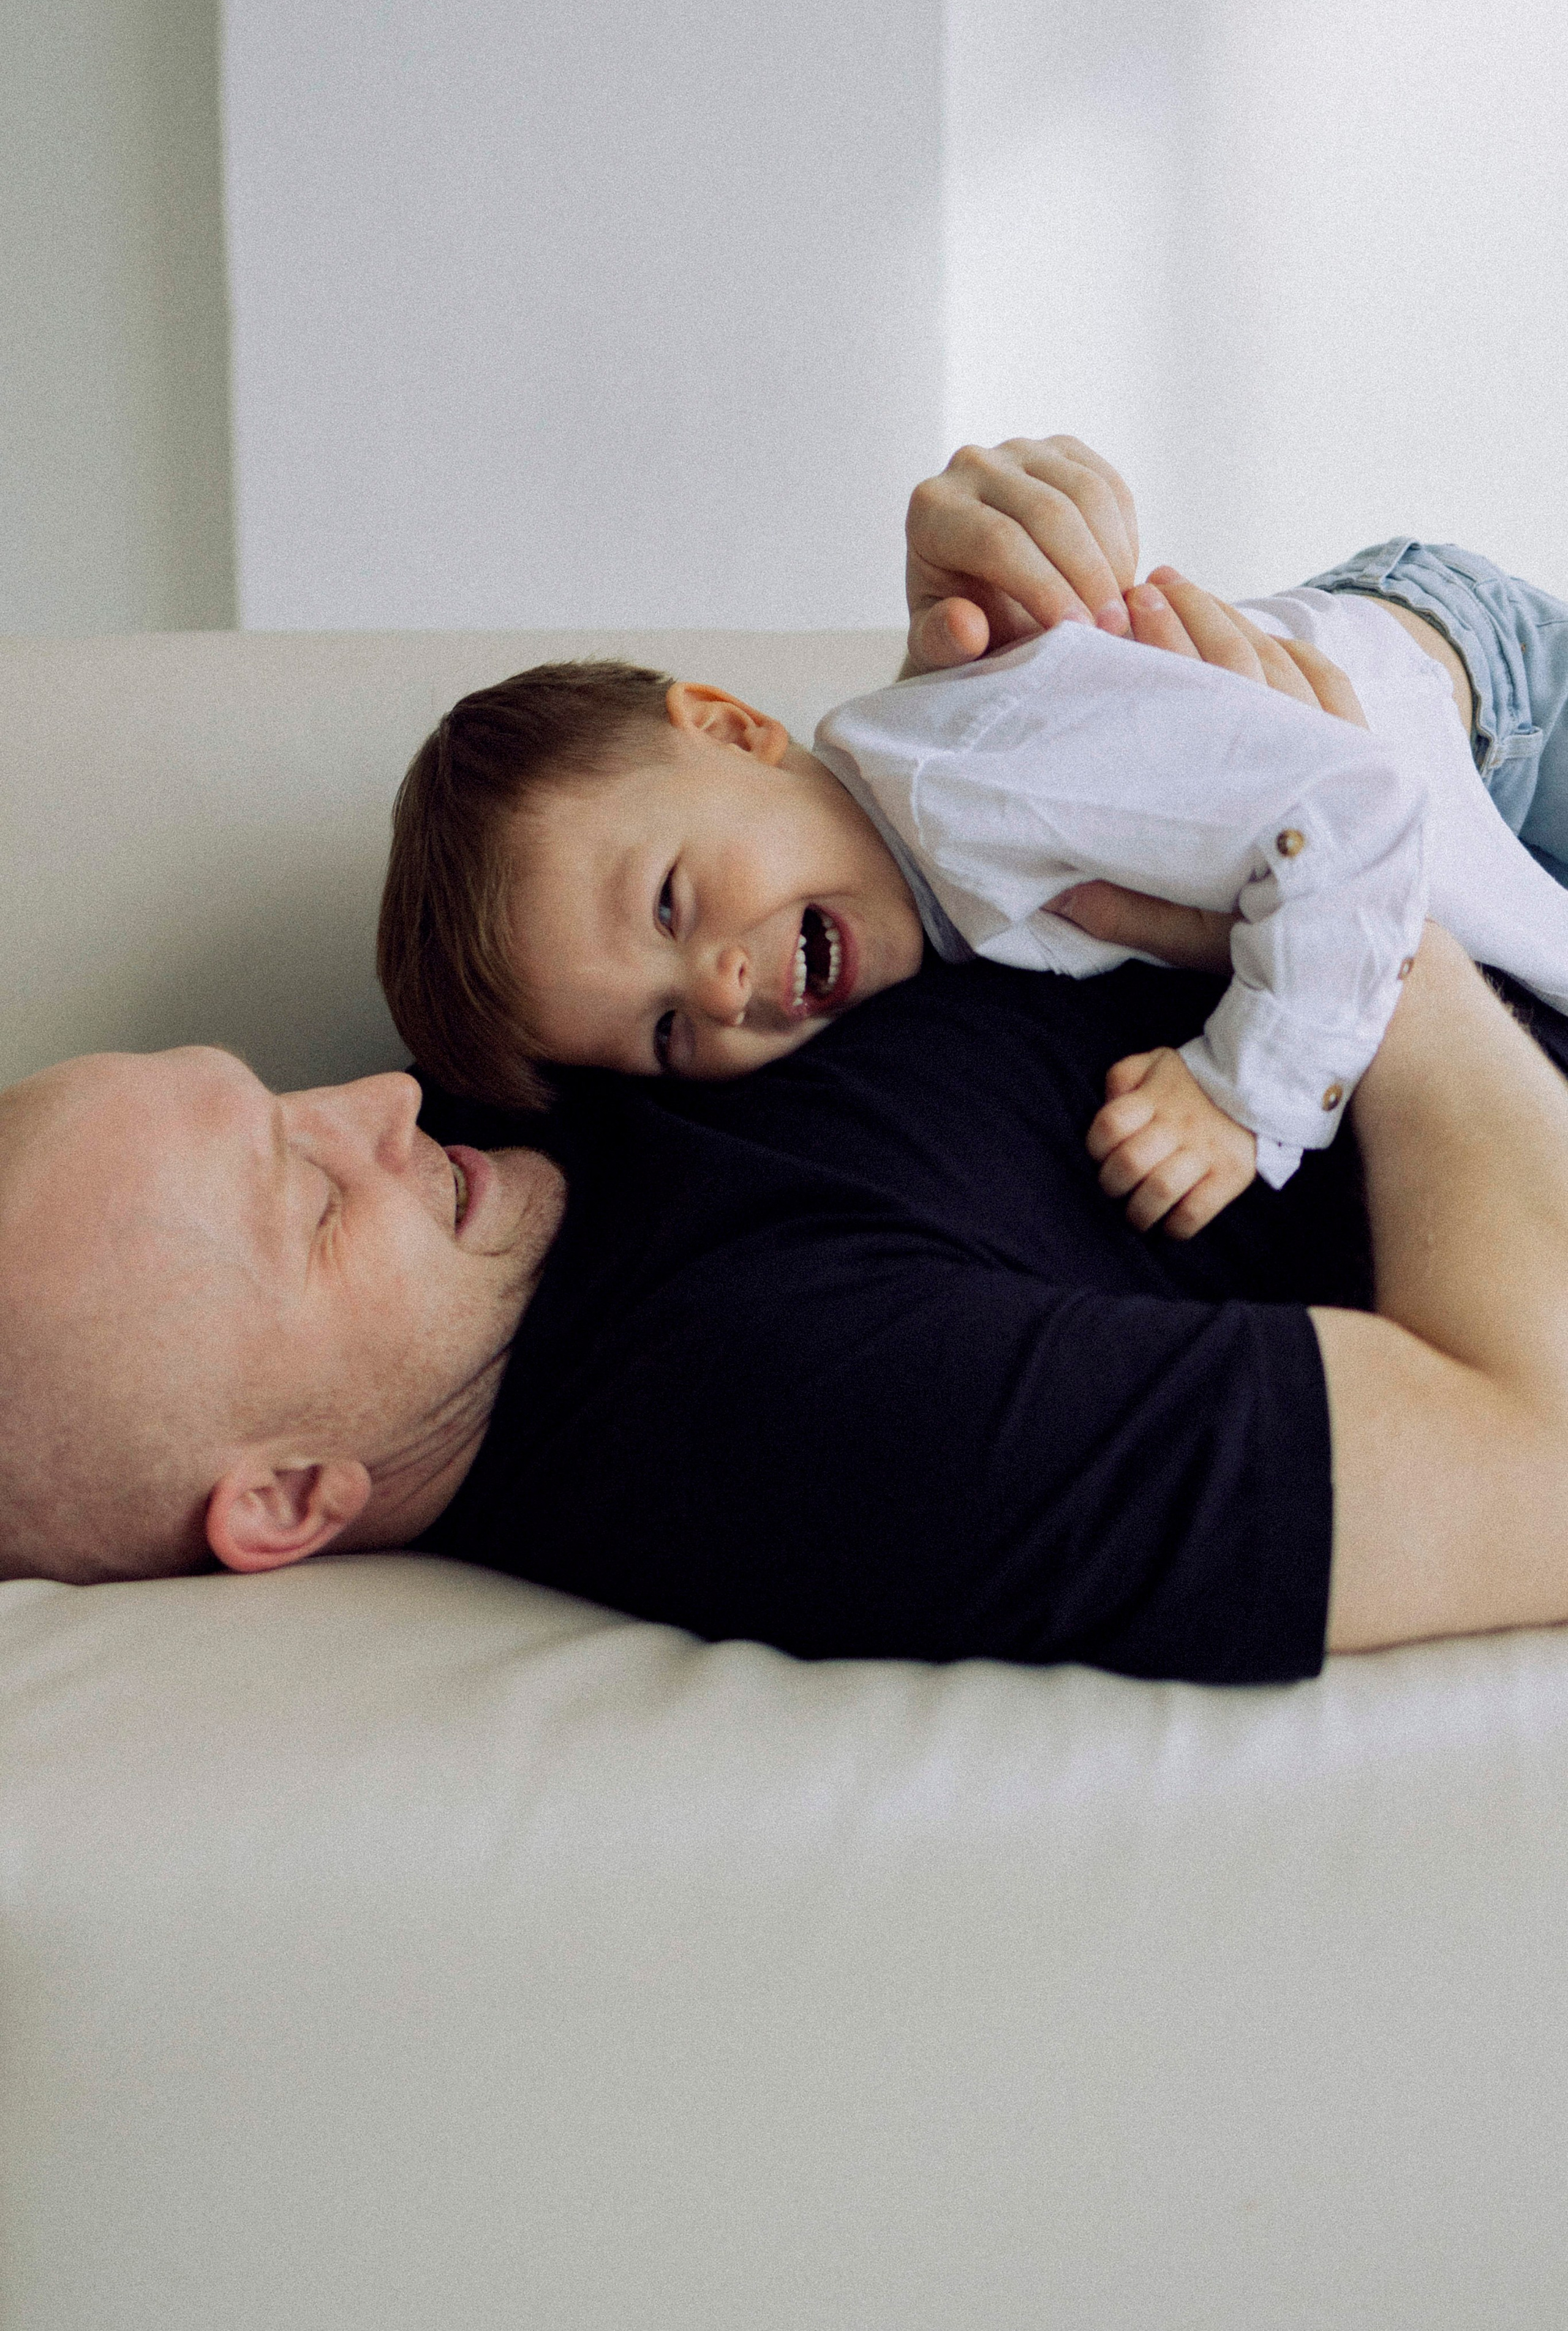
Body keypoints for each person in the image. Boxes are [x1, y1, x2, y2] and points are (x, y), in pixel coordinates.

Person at [4, 439, 1568, 1686]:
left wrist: (998, 698)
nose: (378, 1102)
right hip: (1434, 871)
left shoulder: (516, 1106)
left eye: (284, 1104)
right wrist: (1360, 904)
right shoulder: (806, 1426)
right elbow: (1536, 1463)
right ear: (286, 1497)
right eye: (308, 1198)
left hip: (1398, 684)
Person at [377, 444, 1568, 1236]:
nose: (721, 986)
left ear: (735, 729)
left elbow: (1350, 811)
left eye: (670, 906)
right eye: (666, 1031)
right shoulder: (917, 866)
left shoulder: (972, 778)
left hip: (1486, 704)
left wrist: (1239, 1096)